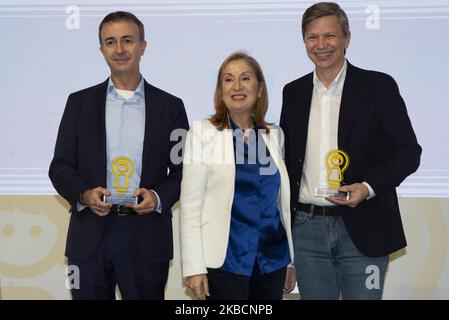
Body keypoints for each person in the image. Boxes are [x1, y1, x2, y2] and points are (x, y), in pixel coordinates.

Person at [280, 2, 421, 300]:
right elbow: (286, 163)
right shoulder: (292, 93)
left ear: (347, 38)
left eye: (330, 36)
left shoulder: (378, 87)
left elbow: (408, 152)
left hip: (364, 227)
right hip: (306, 231)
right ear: (304, 41)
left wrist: (368, 187)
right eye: (312, 37)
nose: (321, 45)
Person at [49, 11, 189, 300]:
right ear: (102, 50)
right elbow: (60, 166)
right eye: (110, 42)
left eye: (128, 40)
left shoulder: (170, 107)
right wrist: (85, 194)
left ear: (143, 46)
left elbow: (183, 170)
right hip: (90, 236)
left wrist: (158, 197)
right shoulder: (79, 104)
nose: (120, 49)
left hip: (146, 236)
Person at [180, 52, 296, 300]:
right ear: (220, 89)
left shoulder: (274, 135)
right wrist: (194, 268)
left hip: (271, 261)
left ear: (260, 88)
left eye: (245, 78)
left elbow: (279, 204)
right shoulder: (202, 133)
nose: (237, 87)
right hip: (225, 263)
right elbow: (190, 206)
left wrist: (289, 262)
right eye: (228, 79)